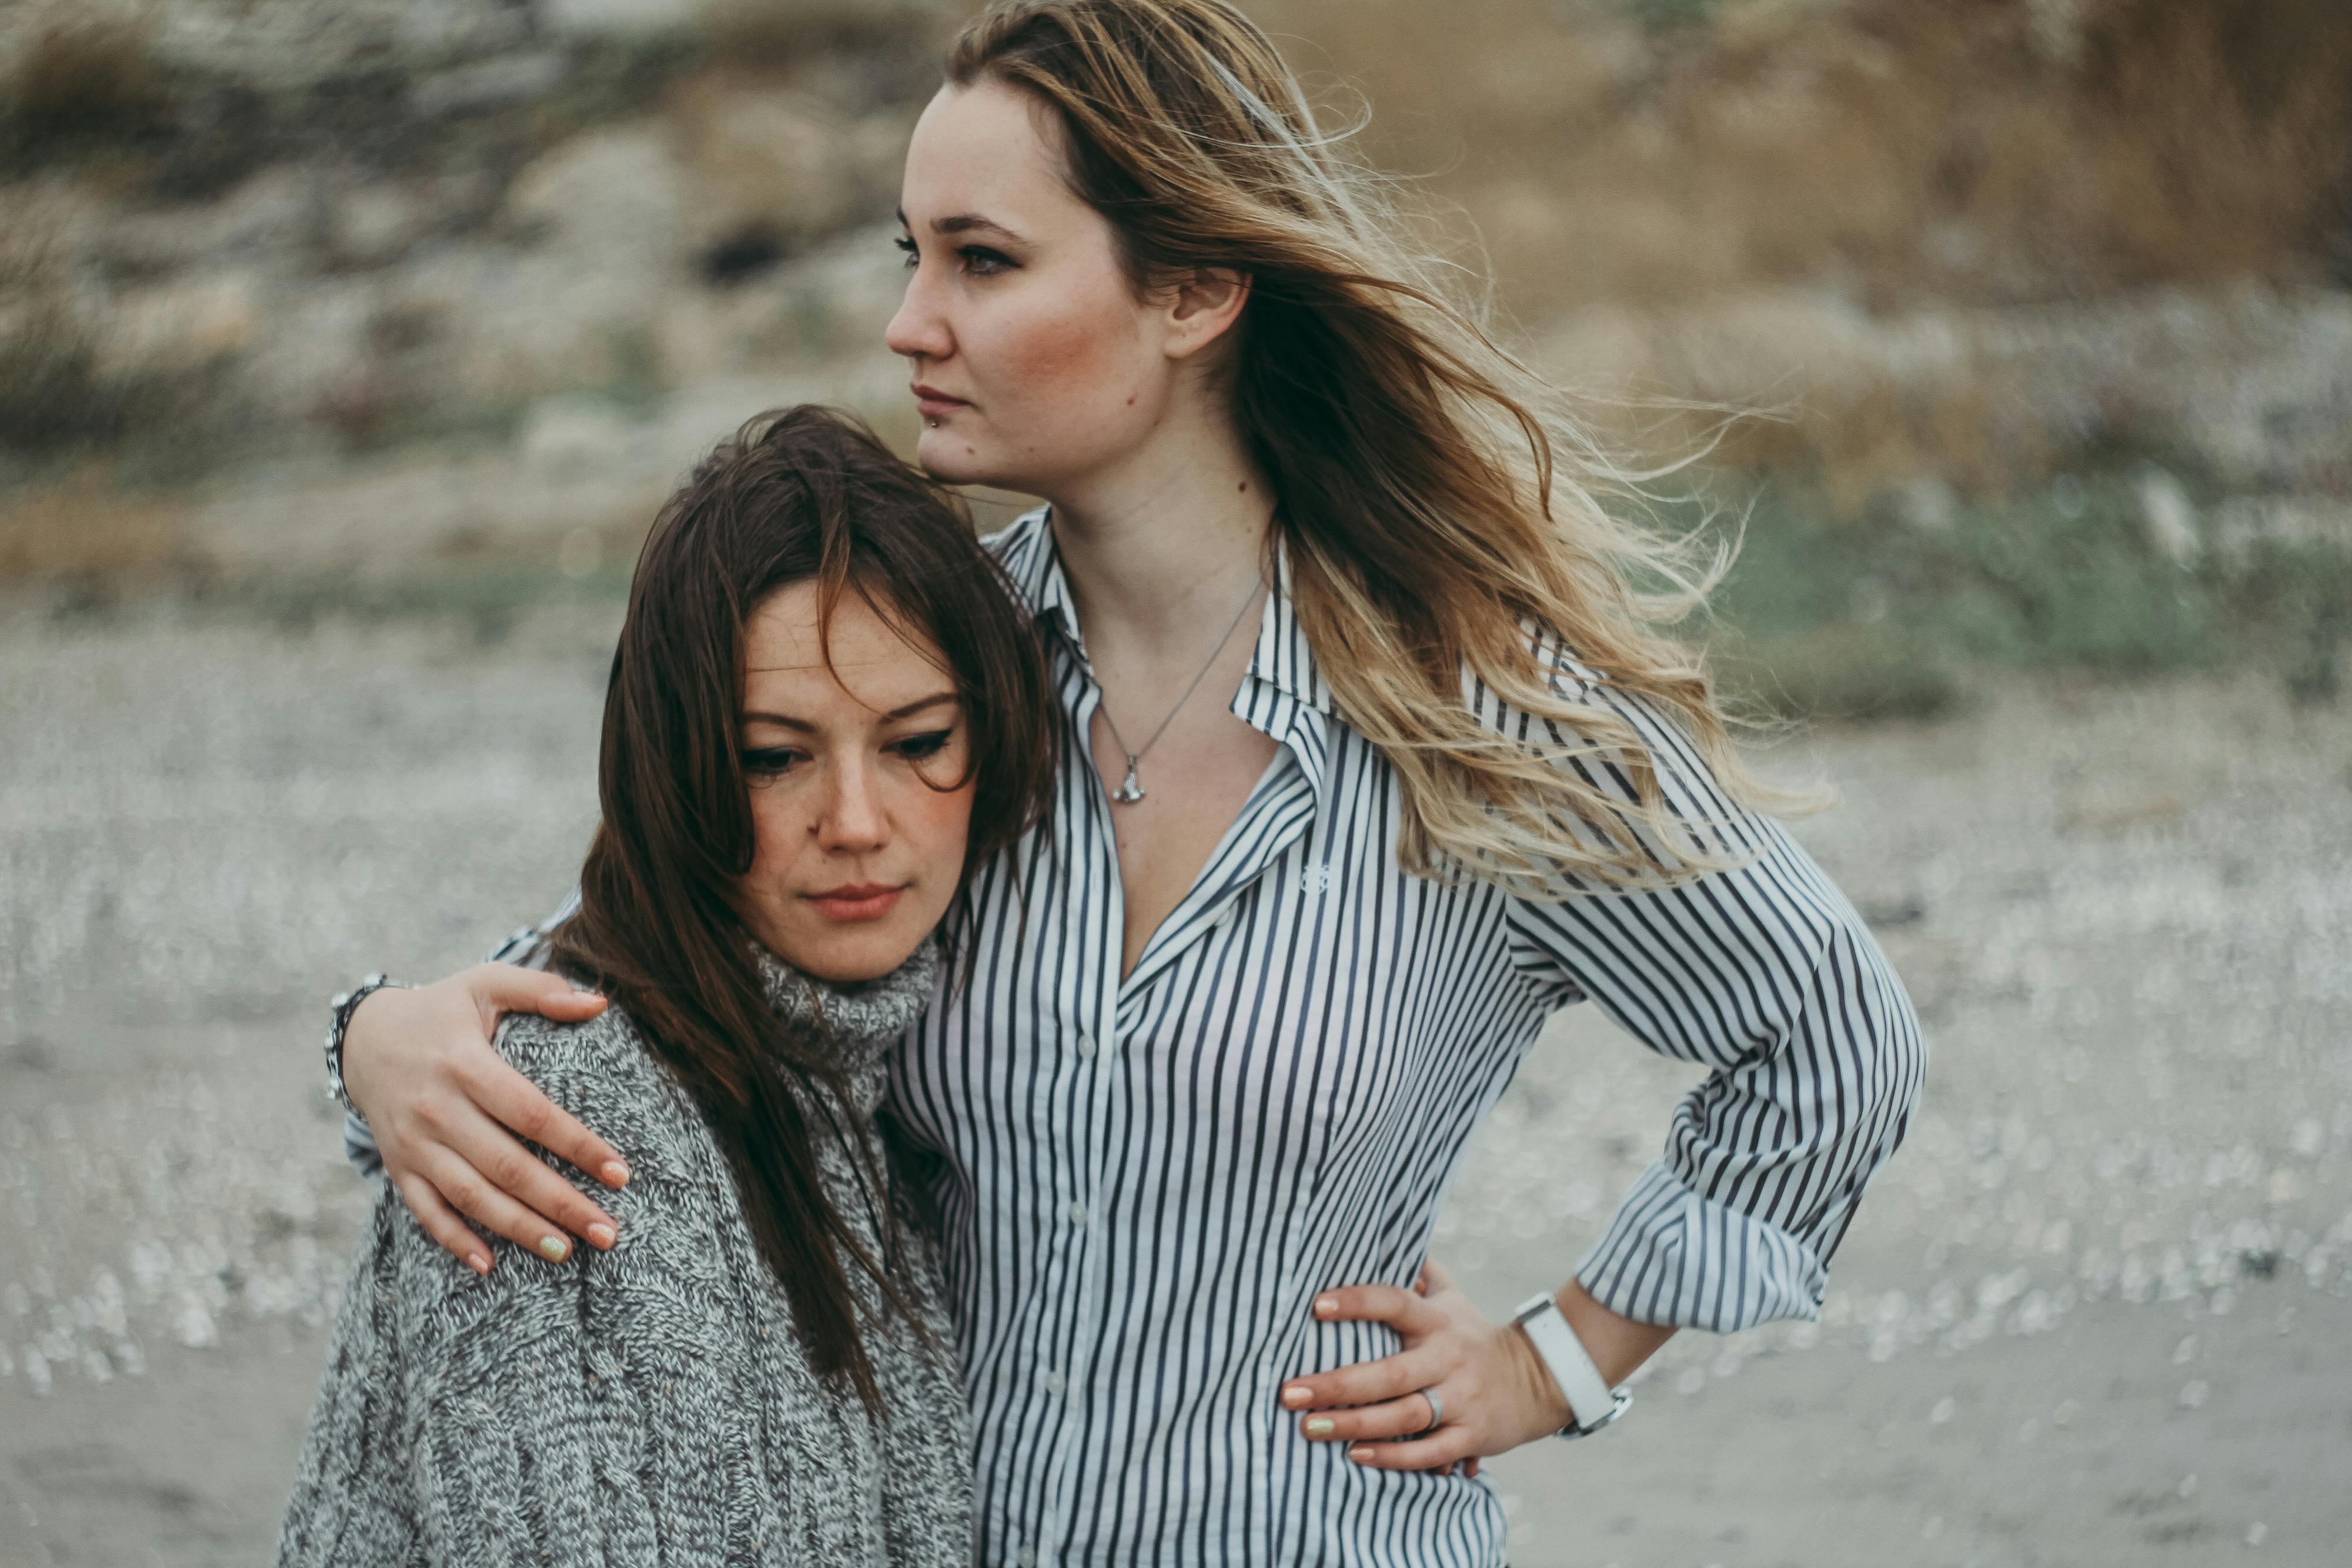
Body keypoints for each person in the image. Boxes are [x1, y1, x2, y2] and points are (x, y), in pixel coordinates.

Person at [327, 4, 1926, 1563]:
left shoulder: (1475, 710)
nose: (910, 323)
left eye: (985, 260)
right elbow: (656, 952)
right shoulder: (943, 676)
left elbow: (1831, 1040)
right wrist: (379, 1035)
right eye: (913, 254)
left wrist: (1551, 1364)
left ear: (1194, 290)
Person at [279, 406, 1056, 1566]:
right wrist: (368, 1031)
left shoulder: (863, 1052)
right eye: (772, 754)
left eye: (917, 739)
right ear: (677, 764)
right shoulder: (553, 1114)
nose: (854, 822)